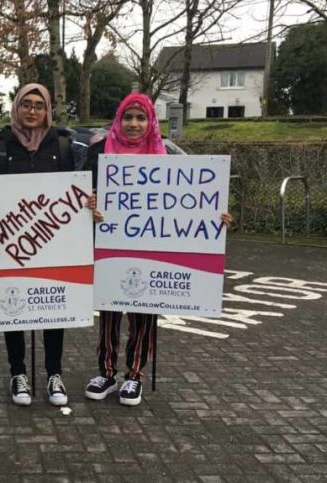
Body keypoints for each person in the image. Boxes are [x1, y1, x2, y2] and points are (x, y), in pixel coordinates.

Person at [83, 92, 231, 406]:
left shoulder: (163, 158)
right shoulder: (98, 153)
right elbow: (78, 196)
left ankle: (134, 374)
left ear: (151, 121)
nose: (134, 124)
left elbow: (187, 201)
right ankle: (106, 373)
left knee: (144, 313)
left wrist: (215, 215)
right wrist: (89, 205)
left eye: (141, 118)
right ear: (118, 119)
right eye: (128, 117)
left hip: (152, 248)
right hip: (109, 246)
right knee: (108, 310)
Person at [0, 83, 86, 408]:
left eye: (39, 105)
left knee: (53, 309)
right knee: (13, 309)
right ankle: (18, 373)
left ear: (47, 109)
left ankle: (54, 373)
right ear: (17, 107)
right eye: (26, 104)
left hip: (52, 240)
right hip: (11, 243)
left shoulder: (62, 144)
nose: (33, 111)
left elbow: (72, 192)